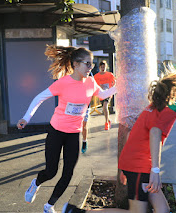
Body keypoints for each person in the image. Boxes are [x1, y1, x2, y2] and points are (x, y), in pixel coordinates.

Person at [62, 65, 176, 213]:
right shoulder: (170, 110)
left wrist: (126, 167)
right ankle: (77, 212)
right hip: (141, 167)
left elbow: (131, 135)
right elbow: (154, 133)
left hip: (135, 165)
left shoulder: (154, 107)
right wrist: (155, 170)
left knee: (163, 211)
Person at [17, 45, 116, 213]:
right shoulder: (63, 83)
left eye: (92, 64)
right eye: (87, 64)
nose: (90, 68)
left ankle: (49, 206)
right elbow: (39, 98)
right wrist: (26, 118)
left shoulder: (91, 82)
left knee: (68, 173)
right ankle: (36, 183)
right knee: (51, 171)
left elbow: (103, 95)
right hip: (56, 131)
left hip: (74, 133)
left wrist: (123, 84)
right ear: (76, 65)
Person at [94, 61, 116, 130]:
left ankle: (106, 123)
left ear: (106, 67)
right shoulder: (96, 76)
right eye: (101, 67)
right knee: (104, 108)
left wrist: (112, 89)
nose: (103, 68)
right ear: (99, 67)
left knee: (105, 106)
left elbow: (114, 82)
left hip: (108, 93)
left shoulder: (110, 74)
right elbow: (93, 84)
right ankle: (108, 119)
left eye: (104, 67)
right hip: (101, 94)